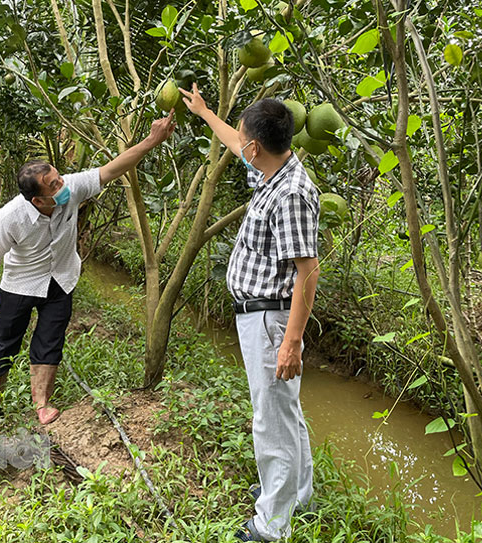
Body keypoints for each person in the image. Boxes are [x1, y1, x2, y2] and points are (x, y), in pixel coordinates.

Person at [179, 85, 320, 541]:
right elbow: (234, 141)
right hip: (261, 315)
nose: (241, 145)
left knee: (271, 420)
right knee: (285, 412)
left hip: (271, 319)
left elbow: (307, 272)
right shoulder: (271, 171)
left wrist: (291, 342)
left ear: (259, 146)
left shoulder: (292, 193)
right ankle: (300, 496)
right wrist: (203, 113)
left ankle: (270, 525)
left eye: (246, 140)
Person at [0, 112, 176, 425]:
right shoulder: (10, 218)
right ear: (37, 199)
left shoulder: (71, 188)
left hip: (61, 280)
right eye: (53, 185)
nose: (62, 185)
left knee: (50, 340)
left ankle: (42, 404)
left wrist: (152, 141)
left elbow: (115, 167)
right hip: (20, 284)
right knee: (3, 341)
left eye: (59, 178)